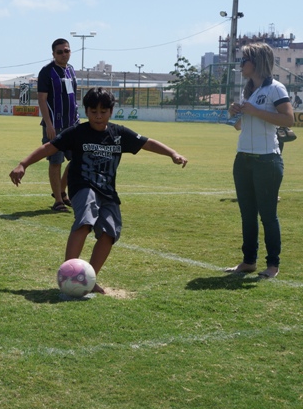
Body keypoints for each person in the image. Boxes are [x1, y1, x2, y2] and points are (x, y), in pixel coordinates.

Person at [10, 87, 188, 294]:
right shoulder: (77, 132)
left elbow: (147, 143)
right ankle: (69, 273)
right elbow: (49, 147)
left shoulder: (118, 134)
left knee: (109, 233)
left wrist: (173, 154)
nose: (98, 116)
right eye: (93, 111)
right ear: (86, 111)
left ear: (111, 111)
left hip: (108, 192)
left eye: (103, 111)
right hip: (83, 187)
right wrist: (23, 164)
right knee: (85, 221)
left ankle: (87, 278)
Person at [224, 42, 294, 279]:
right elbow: (238, 127)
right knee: (247, 213)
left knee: (267, 214)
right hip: (242, 159)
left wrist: (254, 111)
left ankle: (273, 265)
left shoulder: (275, 88)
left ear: (257, 62)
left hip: (267, 160)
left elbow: (288, 119)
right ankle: (248, 261)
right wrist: (236, 114)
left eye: (244, 60)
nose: (241, 65)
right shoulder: (248, 91)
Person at [37, 38, 79, 212]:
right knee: (56, 161)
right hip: (55, 125)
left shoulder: (71, 70)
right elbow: (42, 99)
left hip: (72, 124)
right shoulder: (47, 72)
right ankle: (58, 202)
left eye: (66, 50)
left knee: (78, 158)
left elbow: (73, 97)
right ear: (53, 54)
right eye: (60, 51)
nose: (64, 54)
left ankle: (61, 191)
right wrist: (49, 125)